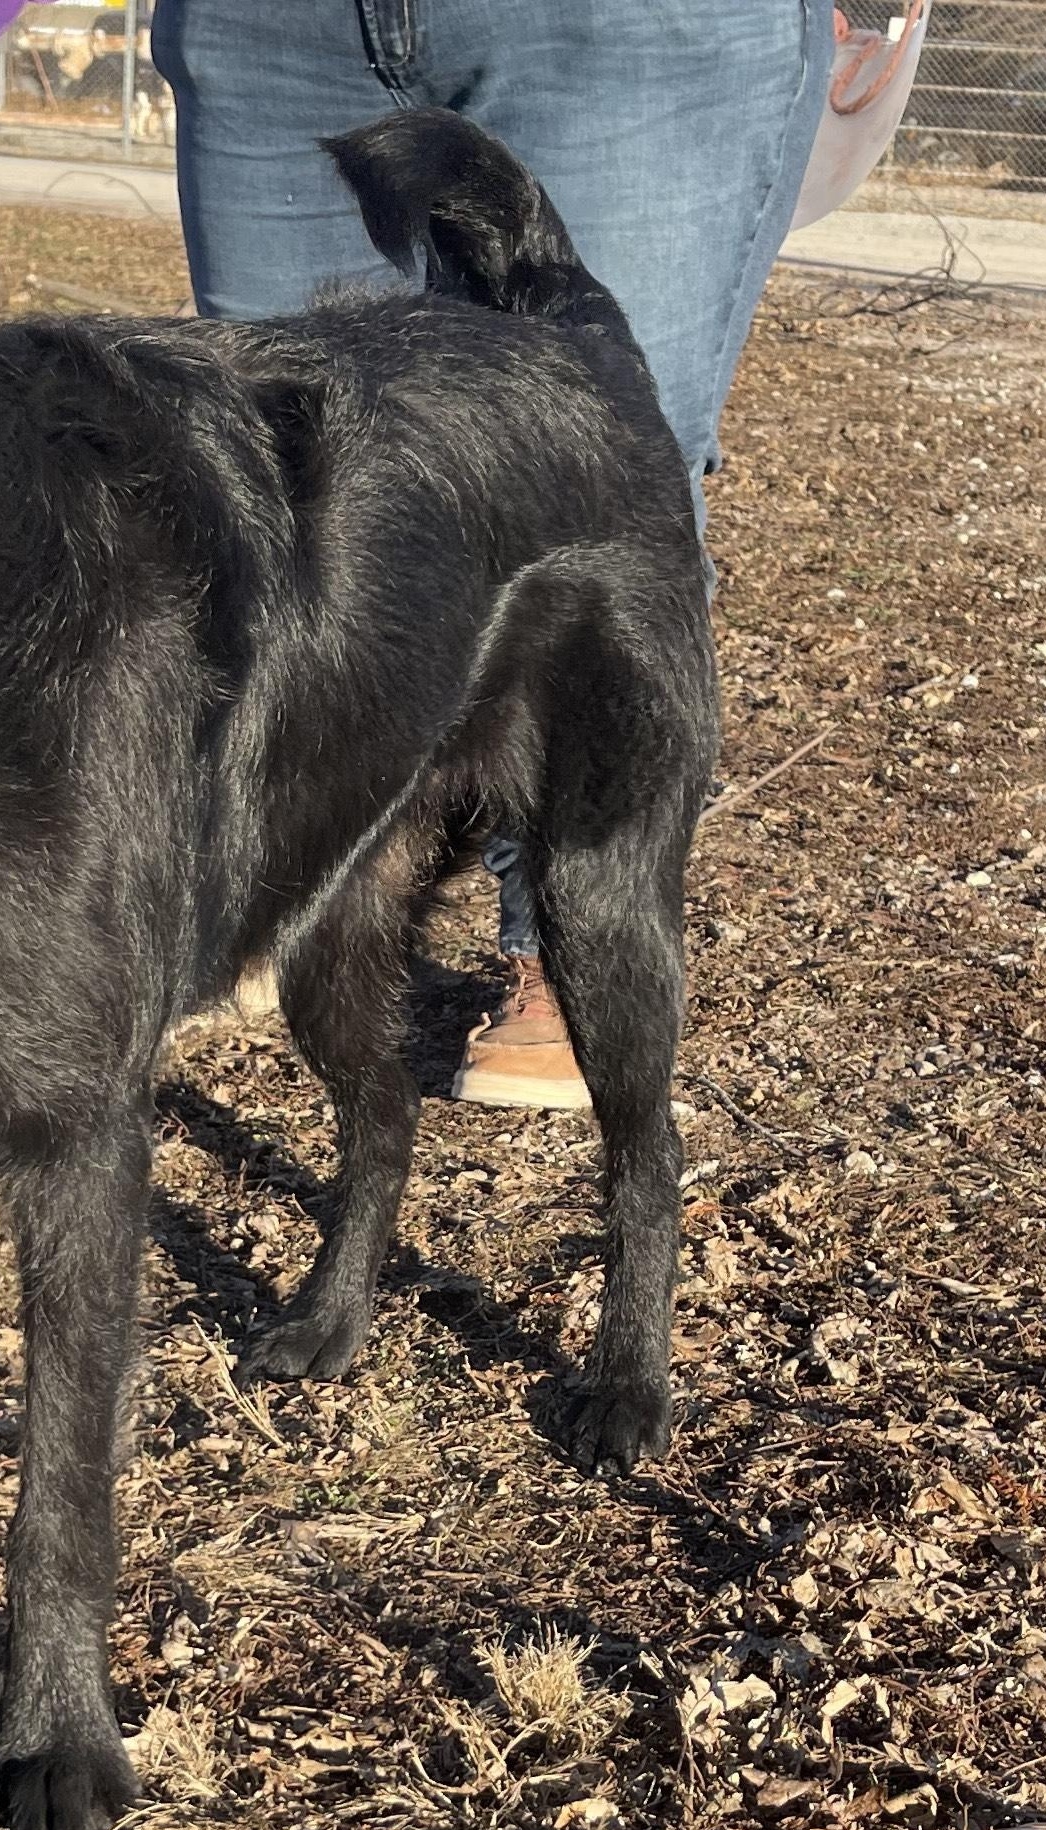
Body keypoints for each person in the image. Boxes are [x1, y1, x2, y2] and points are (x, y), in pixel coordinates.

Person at [151, 0, 833, 1109]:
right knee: (282, 496)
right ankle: (296, 887)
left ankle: (562, 939)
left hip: (626, 27)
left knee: (597, 482)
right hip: (273, 27)